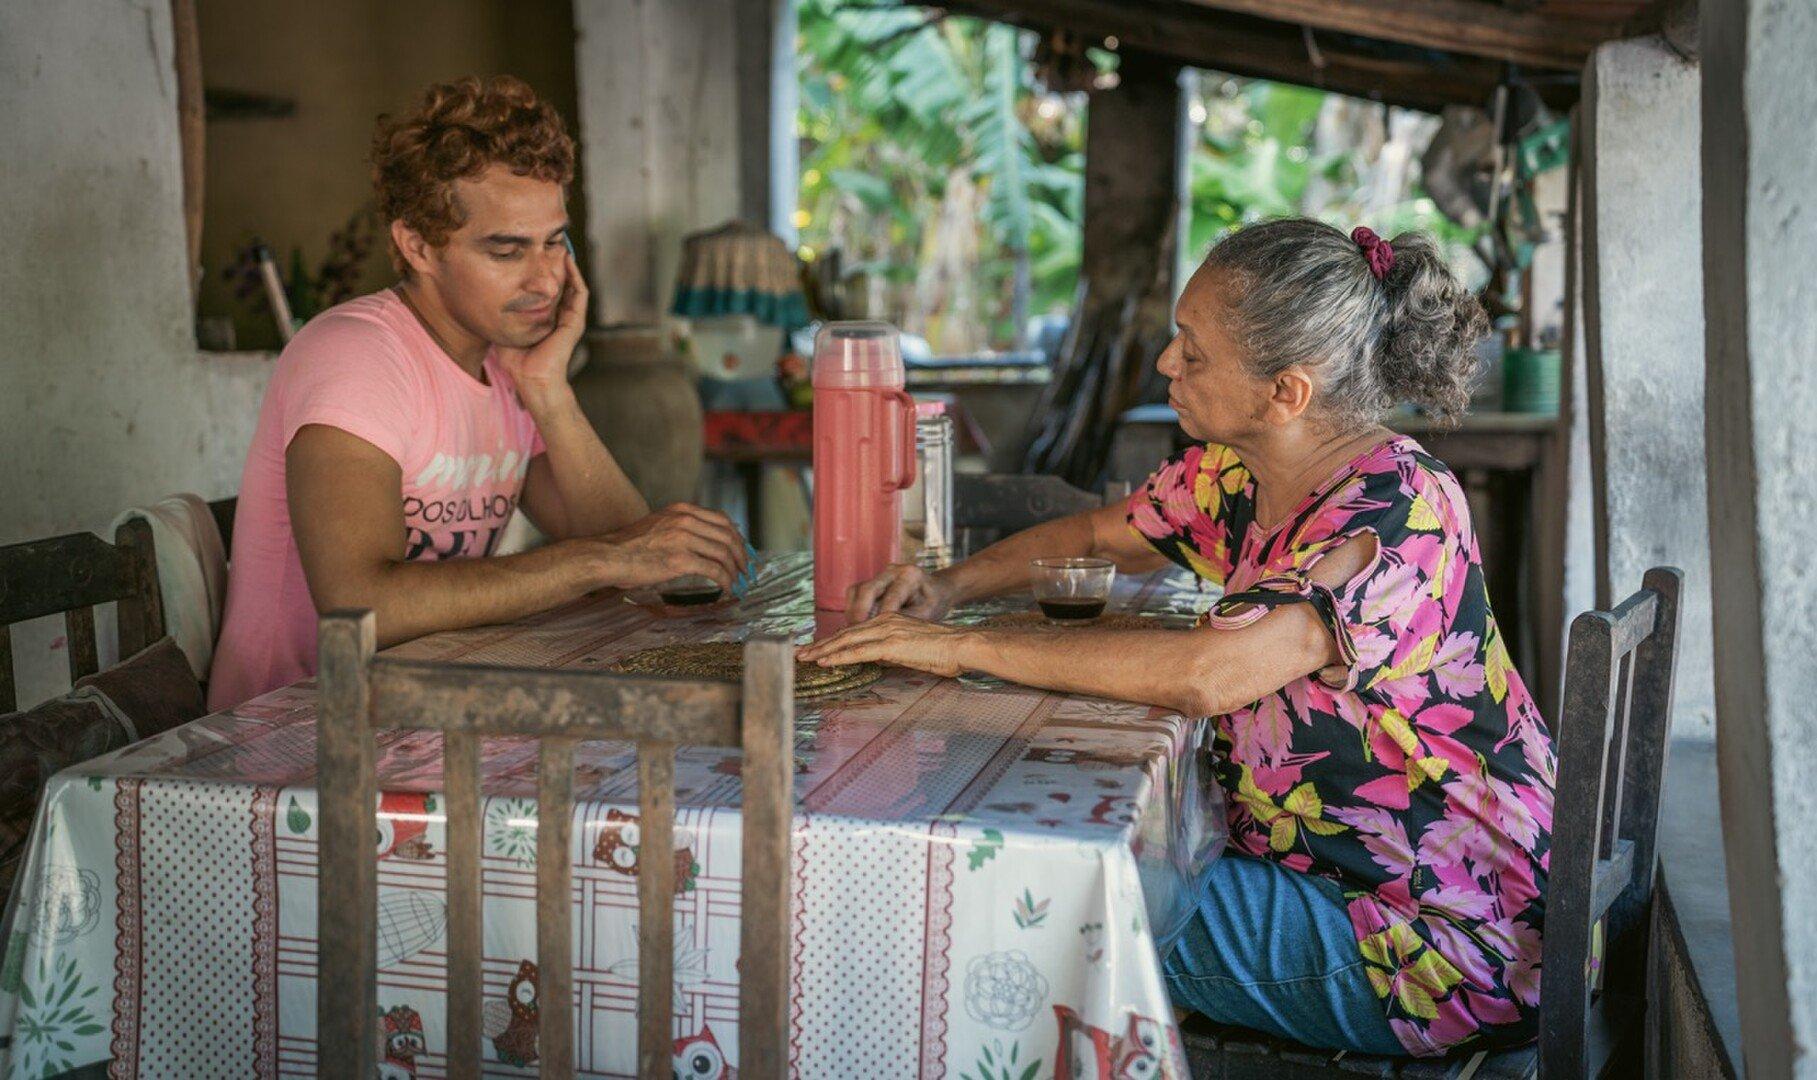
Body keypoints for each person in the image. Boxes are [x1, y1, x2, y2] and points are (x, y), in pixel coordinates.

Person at [802, 219, 1553, 1057]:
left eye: (1191, 353)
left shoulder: (1396, 511)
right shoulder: (1246, 472)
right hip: (1342, 883)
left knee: (1046, 908)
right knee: (1046, 870)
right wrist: (943, 589)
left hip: (1443, 940)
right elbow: (1097, 534)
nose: (1166, 365)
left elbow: (1208, 675)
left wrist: (951, 648)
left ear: (1286, 392)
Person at [208, 76, 748, 710]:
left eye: (555, 242)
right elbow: (361, 605)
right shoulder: (356, 356)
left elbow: (636, 558)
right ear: (417, 245)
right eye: (506, 249)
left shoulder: (507, 363)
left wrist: (548, 390)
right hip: (289, 735)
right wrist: (600, 559)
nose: (546, 278)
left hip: (422, 715)